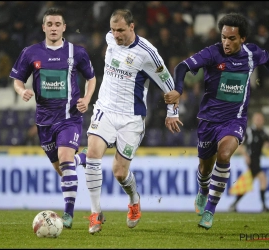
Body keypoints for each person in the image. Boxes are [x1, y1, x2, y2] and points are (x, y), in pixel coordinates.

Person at [164, 12, 269, 230]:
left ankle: (210, 209)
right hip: (208, 120)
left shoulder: (252, 54)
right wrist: (179, 89)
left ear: (242, 39)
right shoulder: (213, 52)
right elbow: (181, 67)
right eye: (223, 37)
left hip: (234, 120)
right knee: (204, 167)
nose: (226, 42)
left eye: (231, 38)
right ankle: (202, 190)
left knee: (224, 154)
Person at [83, 9, 182, 234]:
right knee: (93, 154)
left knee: (119, 171)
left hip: (131, 118)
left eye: (120, 30)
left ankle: (134, 199)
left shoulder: (148, 54)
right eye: (113, 30)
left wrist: (172, 112)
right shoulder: (110, 39)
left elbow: (169, 85)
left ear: (132, 27)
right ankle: (95, 213)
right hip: (105, 110)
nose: (116, 35)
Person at [9, 7, 96, 229]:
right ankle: (81, 159)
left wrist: (86, 98)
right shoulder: (31, 52)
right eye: (50, 24)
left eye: (58, 24)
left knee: (66, 161)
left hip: (69, 118)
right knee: (61, 168)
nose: (54, 28)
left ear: (64, 27)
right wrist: (22, 92)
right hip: (44, 121)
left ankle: (68, 215)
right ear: (44, 27)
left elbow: (91, 78)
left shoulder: (77, 52)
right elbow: (18, 80)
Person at [229, 112, 269, 212]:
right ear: (253, 120)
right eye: (257, 119)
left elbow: (268, 142)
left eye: (260, 119)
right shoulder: (249, 131)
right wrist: (246, 155)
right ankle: (264, 206)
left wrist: (267, 144)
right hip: (252, 160)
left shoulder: (262, 132)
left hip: (257, 160)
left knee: (248, 183)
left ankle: (234, 204)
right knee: (262, 178)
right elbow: (239, 145)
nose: (259, 121)